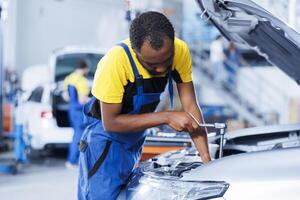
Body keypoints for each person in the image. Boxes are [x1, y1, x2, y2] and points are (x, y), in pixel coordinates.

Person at [78, 11, 211, 200]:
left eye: (167, 60)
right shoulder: (115, 62)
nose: (162, 69)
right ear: (135, 50)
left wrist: (206, 158)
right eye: (152, 65)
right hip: (105, 144)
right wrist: (167, 116)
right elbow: (111, 123)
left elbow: (191, 107)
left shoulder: (180, 50)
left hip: (135, 140)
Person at [63, 60, 90, 168]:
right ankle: (74, 161)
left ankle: (72, 160)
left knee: (76, 135)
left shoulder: (69, 78)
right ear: (86, 68)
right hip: (79, 112)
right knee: (80, 137)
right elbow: (82, 100)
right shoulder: (82, 81)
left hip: (72, 110)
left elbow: (66, 97)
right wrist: (94, 100)